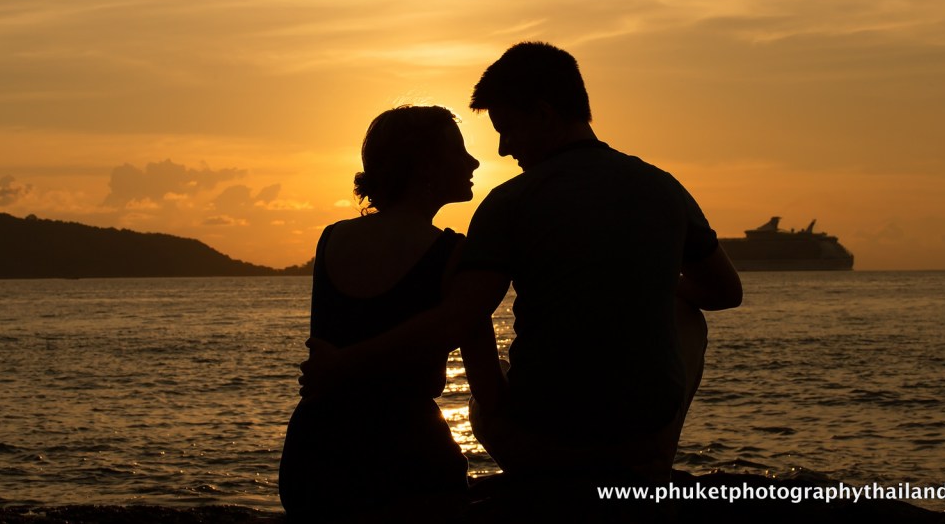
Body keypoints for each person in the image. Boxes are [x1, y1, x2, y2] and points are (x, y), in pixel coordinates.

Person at [299, 43, 742, 487]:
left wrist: (342, 363)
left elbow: (458, 318)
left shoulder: (510, 202)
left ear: (545, 115)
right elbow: (725, 291)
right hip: (641, 437)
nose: (502, 148)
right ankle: (651, 460)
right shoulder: (663, 188)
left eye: (507, 129)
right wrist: (649, 285)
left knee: (485, 397)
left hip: (544, 444)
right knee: (686, 319)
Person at [278, 105, 498, 522]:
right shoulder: (454, 255)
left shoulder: (332, 239)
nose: (473, 161)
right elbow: (485, 382)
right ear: (425, 168)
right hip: (403, 454)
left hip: (315, 452)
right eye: (459, 151)